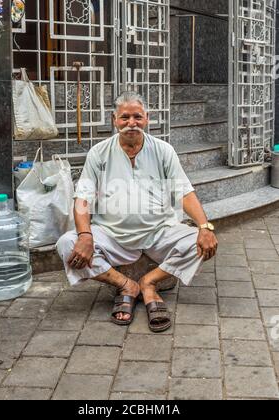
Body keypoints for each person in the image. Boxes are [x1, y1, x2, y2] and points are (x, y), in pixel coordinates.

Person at [56, 91, 218, 332]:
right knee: (67, 244)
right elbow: (83, 200)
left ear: (147, 119)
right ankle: (126, 285)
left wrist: (205, 227)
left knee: (203, 241)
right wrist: (86, 236)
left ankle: (148, 283)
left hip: (159, 232)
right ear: (114, 120)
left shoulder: (163, 150)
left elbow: (183, 192)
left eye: (137, 117)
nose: (131, 123)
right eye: (124, 117)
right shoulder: (99, 153)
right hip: (111, 235)